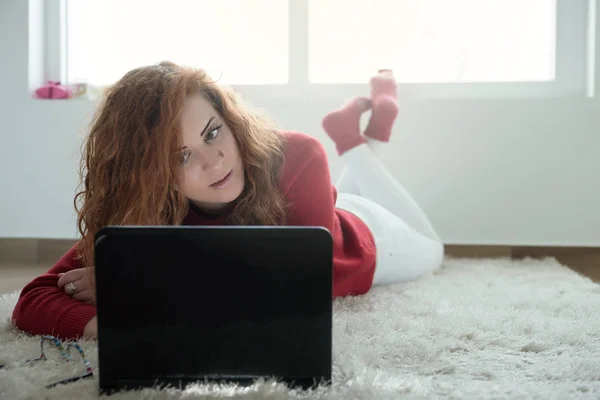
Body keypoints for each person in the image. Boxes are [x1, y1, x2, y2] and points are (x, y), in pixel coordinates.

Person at [11, 62, 443, 340]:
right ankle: (376, 123)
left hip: (369, 241)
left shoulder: (297, 156)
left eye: (213, 132)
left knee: (434, 247)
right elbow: (33, 299)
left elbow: (297, 291)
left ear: (230, 120)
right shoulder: (149, 207)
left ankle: (352, 139)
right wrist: (111, 326)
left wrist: (143, 284)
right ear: (149, 175)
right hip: (321, 207)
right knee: (342, 194)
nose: (213, 160)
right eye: (181, 157)